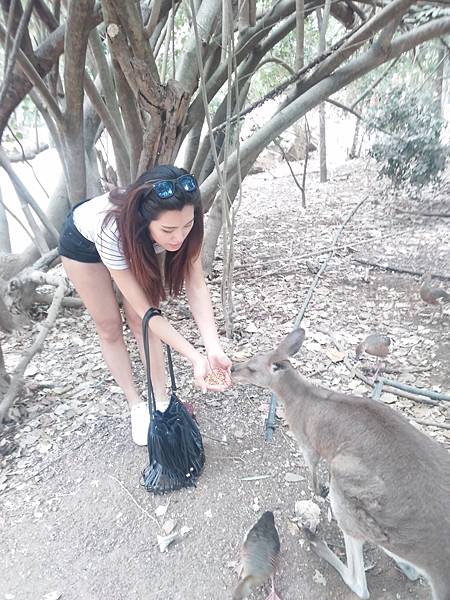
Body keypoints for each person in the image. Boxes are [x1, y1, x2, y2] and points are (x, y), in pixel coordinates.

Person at [58, 164, 231, 445]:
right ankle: (136, 405)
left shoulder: (185, 223)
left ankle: (160, 400)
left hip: (137, 241)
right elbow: (148, 311)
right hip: (84, 245)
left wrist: (213, 349)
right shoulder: (112, 230)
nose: (179, 238)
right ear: (145, 220)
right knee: (109, 326)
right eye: (168, 230)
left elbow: (196, 286)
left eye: (186, 226)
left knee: (142, 325)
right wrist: (194, 357)